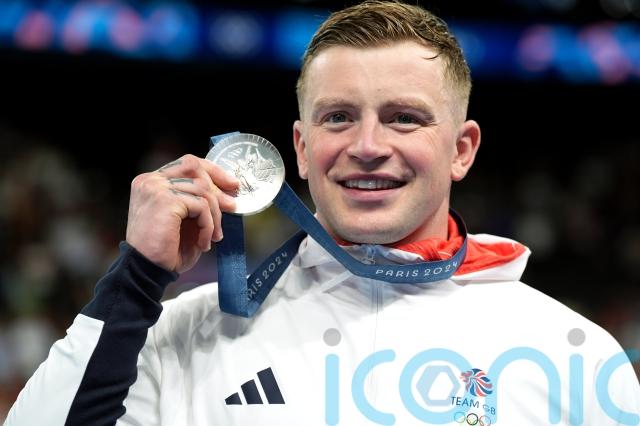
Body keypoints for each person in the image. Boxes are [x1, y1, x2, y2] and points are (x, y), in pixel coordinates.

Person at [5, 1, 640, 425]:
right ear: (303, 149)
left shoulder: (571, 354)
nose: (367, 145)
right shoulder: (183, 335)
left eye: (404, 118)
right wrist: (136, 279)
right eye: (338, 117)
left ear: (461, 150)